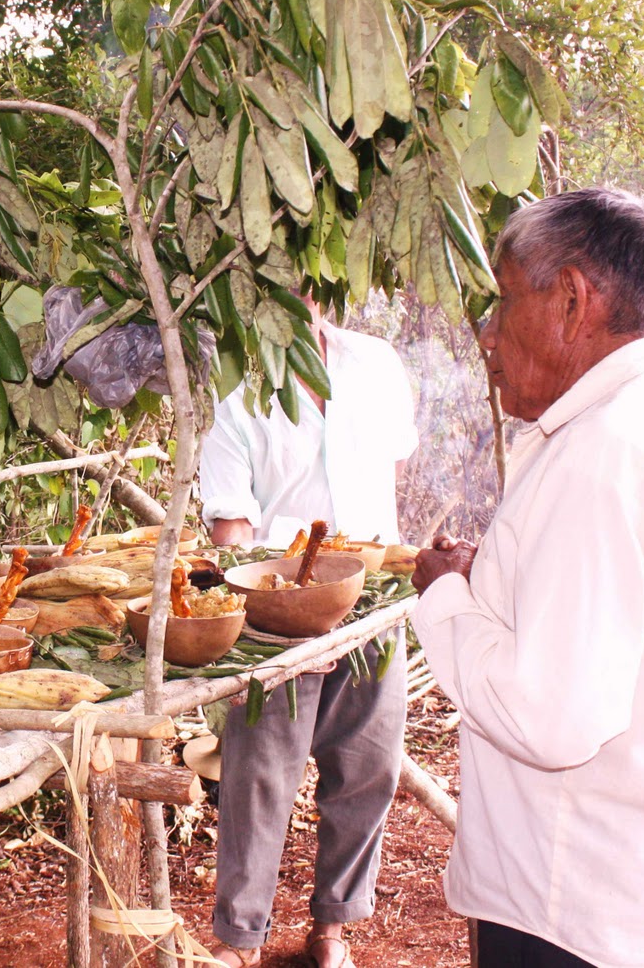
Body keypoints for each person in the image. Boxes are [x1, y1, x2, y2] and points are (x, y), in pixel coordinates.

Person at [412, 187, 644, 968]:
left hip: (568, 907)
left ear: (571, 300)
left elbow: (549, 715)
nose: (487, 334)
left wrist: (443, 595)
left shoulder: (603, 455)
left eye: (503, 302)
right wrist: (500, 586)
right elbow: (629, 624)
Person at [198, 303, 418, 968]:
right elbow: (230, 521)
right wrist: (252, 574)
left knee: (367, 768)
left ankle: (332, 928)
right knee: (259, 777)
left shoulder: (374, 363)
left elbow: (393, 464)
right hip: (279, 617)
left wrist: (368, 554)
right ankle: (240, 941)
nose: (306, 296)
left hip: (372, 601)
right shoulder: (237, 385)